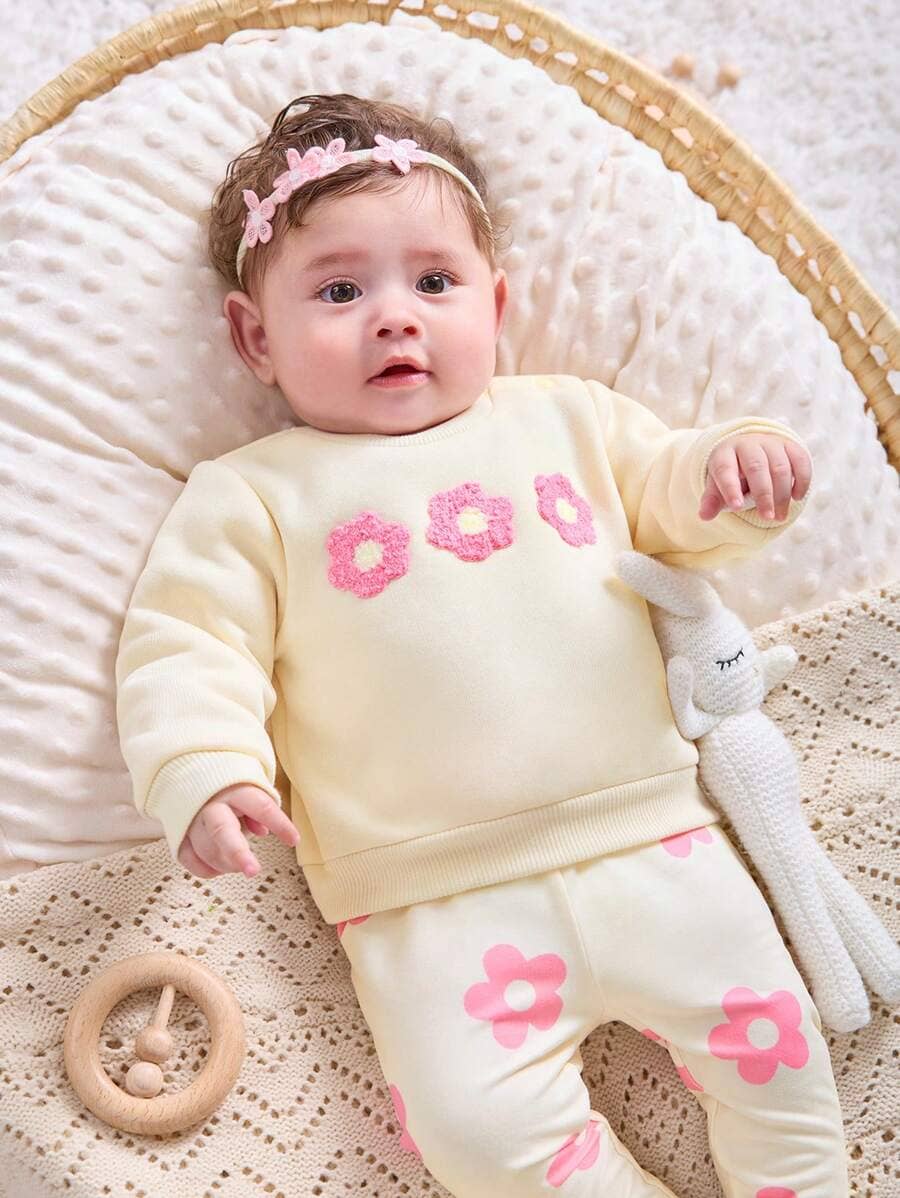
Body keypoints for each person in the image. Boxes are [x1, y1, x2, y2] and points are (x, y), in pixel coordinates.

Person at [115, 93, 848, 1196]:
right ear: (255, 337)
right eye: (340, 291)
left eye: (434, 282)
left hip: (654, 837)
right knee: (480, 1136)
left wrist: (734, 467)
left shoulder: (568, 419)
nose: (394, 319)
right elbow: (187, 643)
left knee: (780, 1061)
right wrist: (203, 769)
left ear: (495, 303)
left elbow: (674, 498)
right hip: (429, 902)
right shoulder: (252, 498)